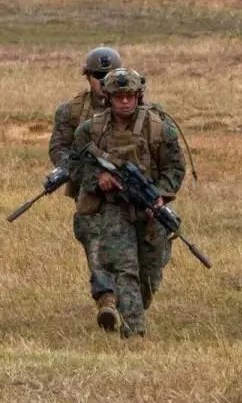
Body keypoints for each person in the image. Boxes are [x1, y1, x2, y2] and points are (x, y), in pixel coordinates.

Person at [72, 67, 186, 338]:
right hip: (113, 209)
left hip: (151, 210)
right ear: (109, 98)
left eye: (130, 96)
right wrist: (98, 178)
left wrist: (160, 194)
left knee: (150, 274)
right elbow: (74, 166)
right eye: (119, 96)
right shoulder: (91, 131)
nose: (125, 101)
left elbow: (175, 168)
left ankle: (133, 309)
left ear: (138, 96)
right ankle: (134, 333)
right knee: (125, 269)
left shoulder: (159, 129)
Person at [50, 46, 119, 310]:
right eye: (98, 75)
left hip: (128, 191)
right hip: (89, 191)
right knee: (94, 238)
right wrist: (85, 172)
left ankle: (130, 295)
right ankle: (106, 298)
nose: (103, 82)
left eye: (109, 75)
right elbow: (59, 149)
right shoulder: (71, 111)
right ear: (87, 76)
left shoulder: (134, 107)